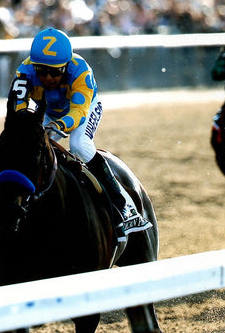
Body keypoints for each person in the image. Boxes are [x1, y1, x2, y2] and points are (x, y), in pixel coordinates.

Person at [7, 27, 134, 240]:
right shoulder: (25, 71)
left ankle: (120, 201)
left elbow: (78, 112)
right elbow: (18, 106)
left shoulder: (81, 71)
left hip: (83, 109)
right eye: (41, 70)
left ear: (65, 68)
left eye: (54, 71)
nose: (46, 77)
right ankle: (13, 201)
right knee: (26, 145)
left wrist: (60, 126)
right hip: (49, 111)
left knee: (79, 144)